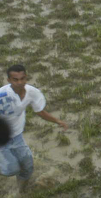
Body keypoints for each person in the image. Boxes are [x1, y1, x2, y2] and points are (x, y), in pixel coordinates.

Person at [0, 64, 68, 195]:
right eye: (15, 79)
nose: (20, 82)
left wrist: (57, 121)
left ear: (26, 78)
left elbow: (40, 111)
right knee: (11, 169)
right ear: (8, 80)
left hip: (17, 136)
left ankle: (21, 191)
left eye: (22, 78)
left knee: (28, 167)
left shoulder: (32, 92)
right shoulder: (2, 95)